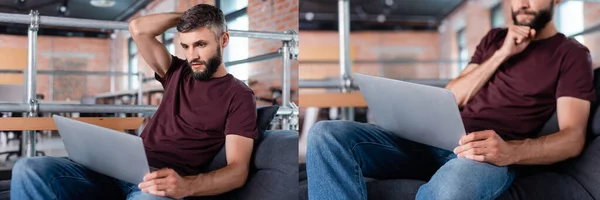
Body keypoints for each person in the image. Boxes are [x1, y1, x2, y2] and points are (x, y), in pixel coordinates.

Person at [306, 0, 595, 199]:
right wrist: (501, 54)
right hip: (435, 139)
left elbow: (572, 138)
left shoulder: (571, 53)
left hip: (483, 153)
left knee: (450, 191)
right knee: (325, 134)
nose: (522, 3)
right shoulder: (495, 40)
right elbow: (453, 95)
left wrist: (509, 152)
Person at [11, 4, 258, 200]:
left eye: (200, 44)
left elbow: (237, 171)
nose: (192, 55)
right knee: (28, 169)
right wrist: (192, 17)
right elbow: (138, 28)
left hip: (158, 184)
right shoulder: (177, 72)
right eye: (185, 46)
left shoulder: (239, 95)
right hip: (116, 168)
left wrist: (185, 186)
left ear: (223, 40)